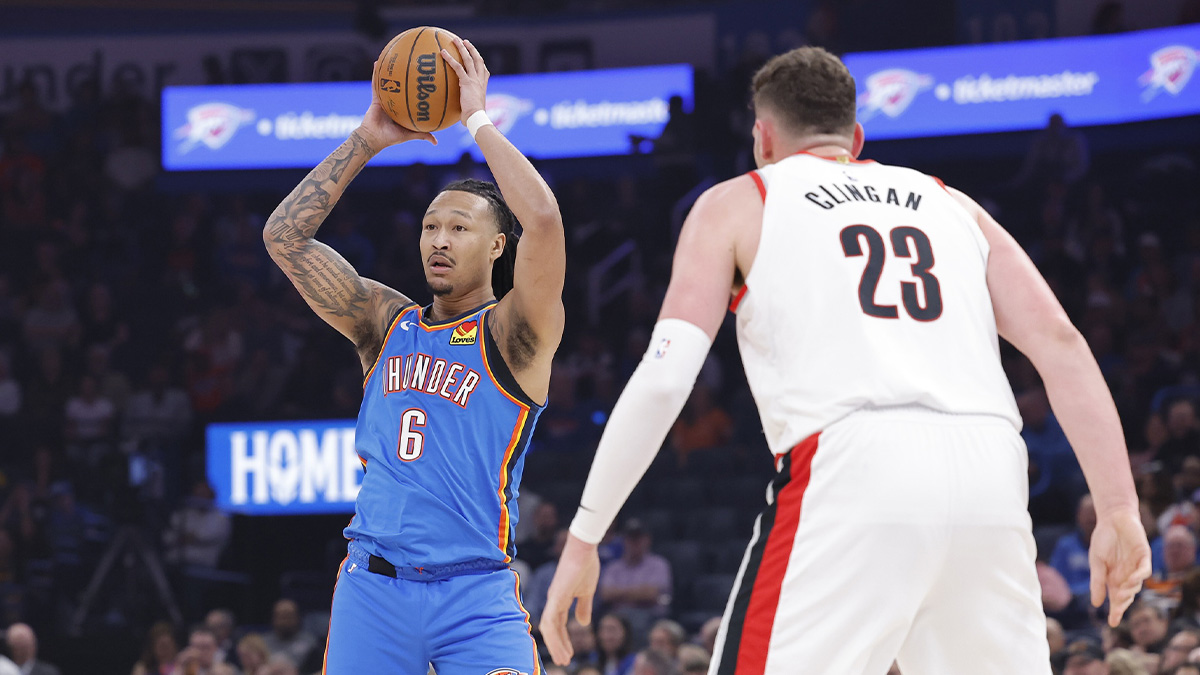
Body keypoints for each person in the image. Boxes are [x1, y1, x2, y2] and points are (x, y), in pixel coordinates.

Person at [540, 46, 1150, 674]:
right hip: (990, 471)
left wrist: (584, 538)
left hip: (853, 462)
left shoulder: (741, 200)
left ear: (763, 136)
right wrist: (1119, 510)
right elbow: (1062, 343)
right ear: (855, 137)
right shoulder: (953, 203)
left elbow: (667, 378)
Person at [263, 37, 565, 675]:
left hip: (476, 593)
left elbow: (543, 220)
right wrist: (368, 138)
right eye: (431, 225)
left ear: (497, 248)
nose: (440, 239)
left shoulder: (515, 333)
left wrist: (477, 118)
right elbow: (283, 238)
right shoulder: (384, 322)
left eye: (460, 228)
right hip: (373, 589)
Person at [262, 599, 316, 669]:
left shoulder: (311, 644)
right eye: (282, 617)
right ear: (274, 618)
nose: (285, 621)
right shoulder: (262, 644)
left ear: (297, 618)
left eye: (289, 616)